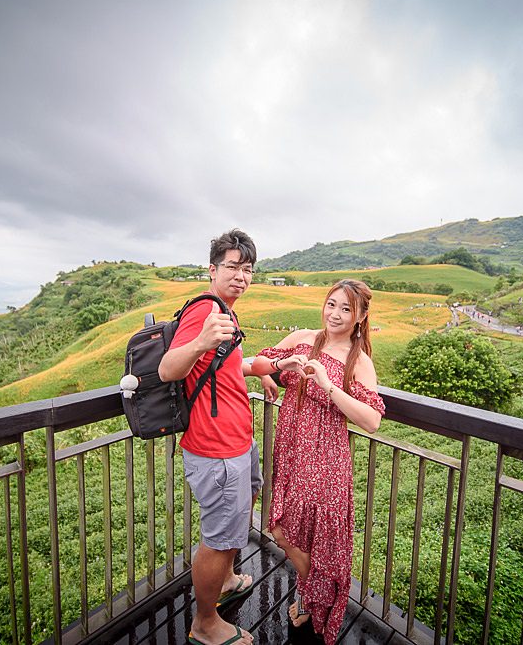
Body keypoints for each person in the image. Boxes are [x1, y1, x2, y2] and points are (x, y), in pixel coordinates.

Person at [249, 279, 385, 644]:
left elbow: (372, 420)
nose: (335, 314)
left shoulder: (359, 360)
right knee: (281, 528)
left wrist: (328, 384)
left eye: (346, 309)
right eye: (332, 304)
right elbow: (255, 362)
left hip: (325, 459)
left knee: (308, 534)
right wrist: (276, 368)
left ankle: (313, 600)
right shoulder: (303, 337)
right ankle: (315, 597)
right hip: (292, 449)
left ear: (361, 317)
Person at [159, 229, 268, 645]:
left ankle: (223, 584)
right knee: (220, 538)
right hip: (216, 447)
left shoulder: (226, 311)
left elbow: (220, 367)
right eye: (232, 266)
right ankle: (205, 624)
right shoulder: (205, 310)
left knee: (237, 518)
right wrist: (202, 337)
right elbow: (169, 368)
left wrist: (266, 369)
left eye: (247, 269)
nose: (241, 275)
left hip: (238, 441)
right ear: (212, 269)